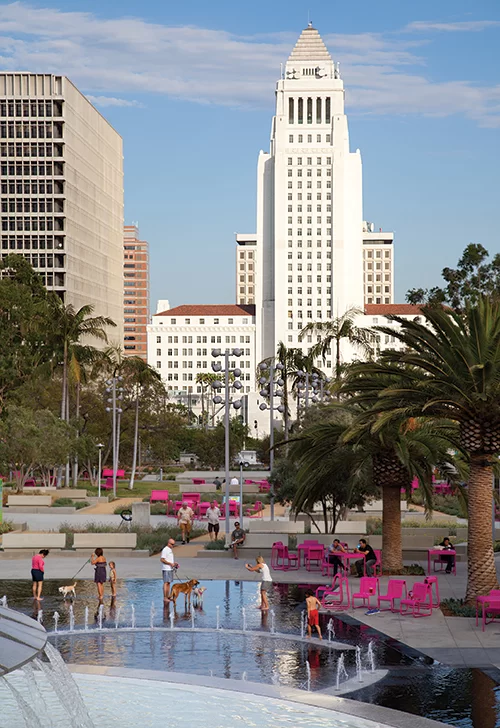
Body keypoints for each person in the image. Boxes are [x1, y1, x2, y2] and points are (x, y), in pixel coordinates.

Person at [160, 537, 179, 603]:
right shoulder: (165, 550)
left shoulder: (170, 550)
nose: (173, 546)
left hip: (170, 569)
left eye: (174, 544)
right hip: (166, 568)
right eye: (172, 544)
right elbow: (162, 559)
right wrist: (170, 564)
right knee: (166, 583)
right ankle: (165, 597)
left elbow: (169, 559)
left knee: (168, 583)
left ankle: (167, 597)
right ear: (168, 543)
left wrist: (174, 563)